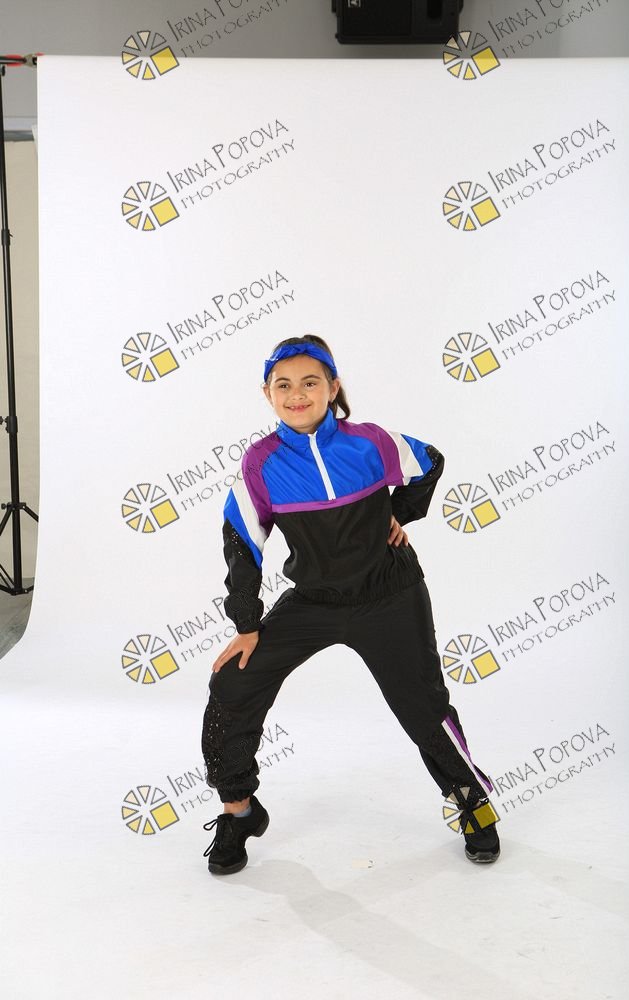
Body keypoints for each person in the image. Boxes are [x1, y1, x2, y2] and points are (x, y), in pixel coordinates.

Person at [201, 334, 500, 875]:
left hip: (390, 596)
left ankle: (471, 802)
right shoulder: (261, 463)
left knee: (423, 707)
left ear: (332, 387)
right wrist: (247, 623)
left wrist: (399, 513)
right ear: (267, 394)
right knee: (232, 684)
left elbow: (429, 461)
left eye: (309, 382)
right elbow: (242, 540)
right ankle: (238, 811)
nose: (297, 395)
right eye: (283, 385)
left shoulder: (370, 443)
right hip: (314, 602)